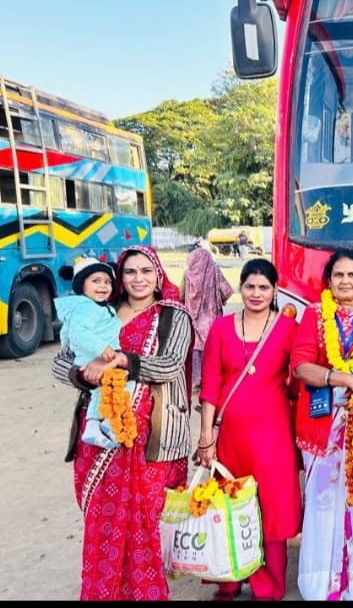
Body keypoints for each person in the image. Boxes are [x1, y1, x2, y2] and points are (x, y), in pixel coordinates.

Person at [51, 245, 194, 600]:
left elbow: (169, 365)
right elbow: (59, 362)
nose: (138, 279)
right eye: (130, 272)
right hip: (100, 436)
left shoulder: (172, 316)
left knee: (143, 523)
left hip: (150, 437)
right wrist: (85, 374)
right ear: (120, 277)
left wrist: (118, 363)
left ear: (158, 275)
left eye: (146, 271)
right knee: (102, 523)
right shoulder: (98, 311)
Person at [196, 259, 302, 601]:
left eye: (264, 287)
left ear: (275, 291)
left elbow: (300, 376)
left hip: (273, 438)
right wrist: (206, 436)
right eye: (250, 286)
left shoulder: (287, 328)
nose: (256, 294)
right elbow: (210, 384)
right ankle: (228, 580)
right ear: (240, 288)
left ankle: (268, 587)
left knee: (270, 510)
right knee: (228, 505)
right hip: (230, 438)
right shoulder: (222, 328)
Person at [292, 249, 353, 601]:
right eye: (339, 275)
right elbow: (301, 367)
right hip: (323, 426)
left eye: (352, 275)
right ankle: (325, 583)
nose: (346, 281)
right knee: (323, 506)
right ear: (329, 281)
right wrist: (346, 380)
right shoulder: (314, 315)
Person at [53, 258, 124, 450]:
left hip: (100, 355)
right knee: (116, 382)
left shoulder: (100, 307)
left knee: (103, 388)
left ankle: (94, 424)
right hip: (92, 356)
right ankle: (107, 421)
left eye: (107, 282)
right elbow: (78, 333)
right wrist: (102, 348)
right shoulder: (86, 307)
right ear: (81, 284)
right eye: (96, 281)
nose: (103, 286)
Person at [183, 246, 234, 389]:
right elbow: (227, 290)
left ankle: (196, 380)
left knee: (195, 349)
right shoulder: (215, 270)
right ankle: (212, 379)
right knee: (213, 348)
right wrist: (220, 298)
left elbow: (181, 293)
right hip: (212, 317)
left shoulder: (187, 274)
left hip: (192, 317)